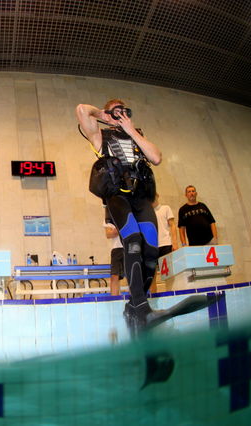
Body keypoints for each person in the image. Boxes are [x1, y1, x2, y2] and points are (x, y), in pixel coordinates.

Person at [76, 99, 161, 333]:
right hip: (117, 196)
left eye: (123, 110)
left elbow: (156, 158)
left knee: (152, 251)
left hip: (140, 197)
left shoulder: (137, 136)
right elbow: (82, 110)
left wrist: (130, 129)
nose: (119, 113)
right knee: (132, 243)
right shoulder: (99, 135)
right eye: (115, 109)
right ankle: (142, 306)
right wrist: (102, 114)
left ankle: (135, 304)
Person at [104, 212, 124, 296]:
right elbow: (109, 234)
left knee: (132, 277)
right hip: (116, 249)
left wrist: (115, 230)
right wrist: (123, 226)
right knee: (114, 276)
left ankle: (134, 301)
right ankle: (114, 301)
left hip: (130, 247)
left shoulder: (129, 212)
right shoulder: (109, 217)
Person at [153, 193, 178, 258]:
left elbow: (172, 225)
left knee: (168, 267)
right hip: (153, 246)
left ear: (157, 196)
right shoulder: (148, 213)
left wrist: (175, 243)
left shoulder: (166, 208)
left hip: (166, 244)